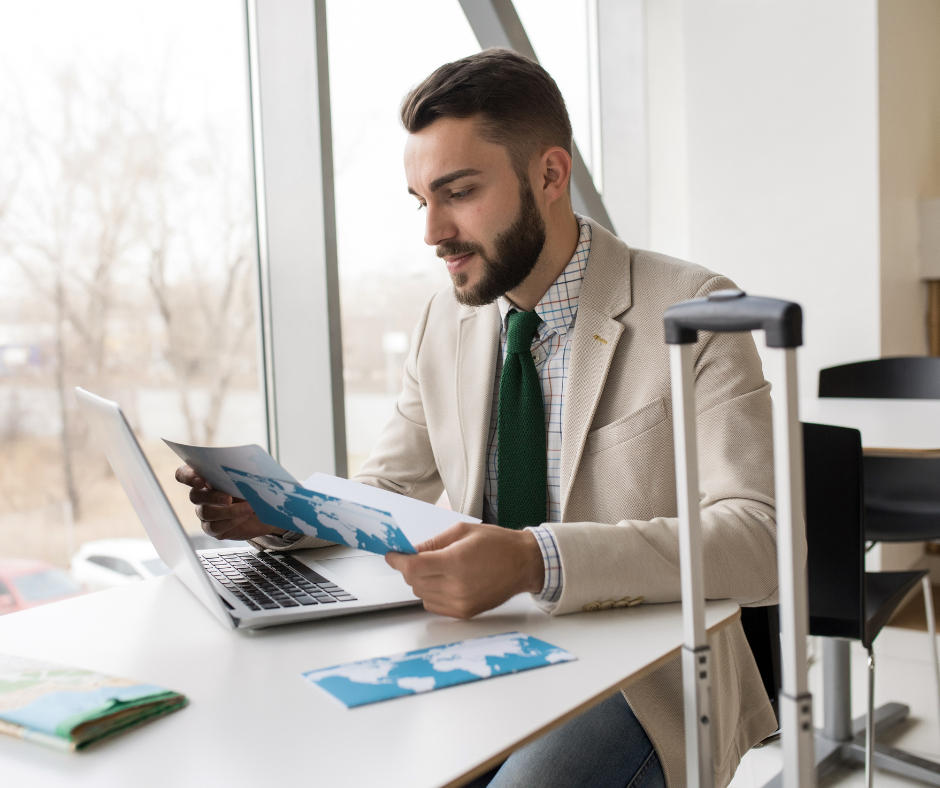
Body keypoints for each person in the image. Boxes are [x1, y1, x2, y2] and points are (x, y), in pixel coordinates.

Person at [176, 49, 778, 788]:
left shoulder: (695, 312)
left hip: (641, 674)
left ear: (549, 176)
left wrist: (533, 560)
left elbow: (763, 541)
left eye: (458, 193)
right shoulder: (445, 321)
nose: (433, 232)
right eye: (420, 200)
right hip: (480, 643)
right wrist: (277, 512)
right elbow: (386, 487)